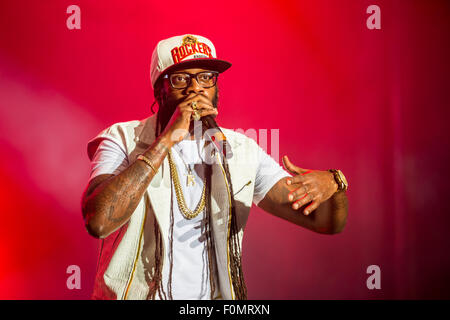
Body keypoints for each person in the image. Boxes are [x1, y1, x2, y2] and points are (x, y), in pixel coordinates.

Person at [81, 34, 348, 300]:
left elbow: (326, 221)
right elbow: (99, 221)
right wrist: (166, 141)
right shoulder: (122, 139)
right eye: (180, 79)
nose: (195, 88)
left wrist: (335, 183)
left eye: (206, 77)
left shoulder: (241, 150)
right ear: (158, 89)